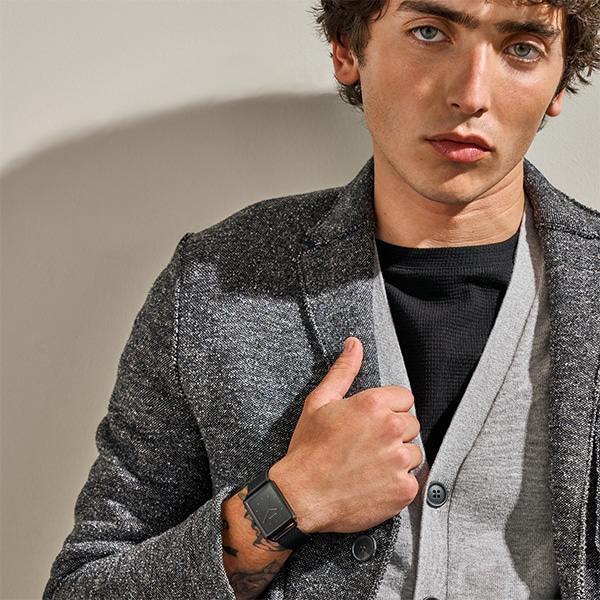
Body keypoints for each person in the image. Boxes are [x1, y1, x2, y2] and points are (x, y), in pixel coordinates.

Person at [44, 1, 600, 598]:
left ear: (558, 81)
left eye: (522, 48)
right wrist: (290, 500)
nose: (470, 94)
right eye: (429, 33)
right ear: (347, 49)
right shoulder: (215, 281)